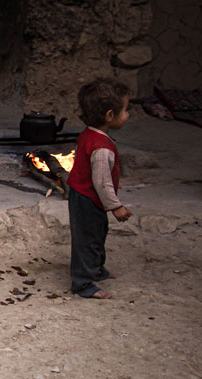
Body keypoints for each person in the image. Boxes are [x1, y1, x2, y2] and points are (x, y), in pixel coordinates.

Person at [67, 78, 133, 299]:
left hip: (84, 195)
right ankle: (83, 283)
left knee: (96, 233)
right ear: (109, 116)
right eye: (125, 111)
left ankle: (96, 269)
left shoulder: (89, 134)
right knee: (87, 239)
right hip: (87, 198)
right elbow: (101, 182)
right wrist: (116, 207)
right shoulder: (102, 148)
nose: (128, 115)